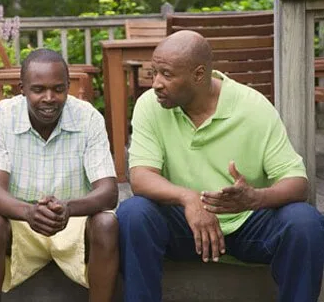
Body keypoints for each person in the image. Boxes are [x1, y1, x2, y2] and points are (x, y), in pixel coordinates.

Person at [117, 30, 324, 302]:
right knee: (133, 213)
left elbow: (297, 182)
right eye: (153, 73)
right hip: (185, 226)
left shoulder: (252, 106)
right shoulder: (150, 105)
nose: (156, 83)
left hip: (246, 225)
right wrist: (189, 198)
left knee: (305, 221)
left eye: (166, 74)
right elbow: (141, 177)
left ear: (199, 75)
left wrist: (256, 198)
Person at [0, 48, 119, 302]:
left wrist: (67, 208)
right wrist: (29, 212)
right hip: (20, 222)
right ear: (22, 88)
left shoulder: (88, 118)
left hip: (74, 221)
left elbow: (109, 192)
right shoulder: (1, 117)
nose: (49, 98)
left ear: (67, 87)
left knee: (107, 223)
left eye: (59, 89)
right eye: (38, 89)